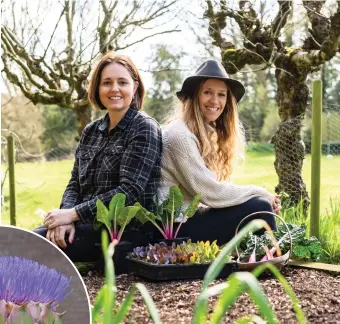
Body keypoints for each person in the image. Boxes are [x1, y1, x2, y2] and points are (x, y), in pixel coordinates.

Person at [34, 52, 162, 261]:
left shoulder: (144, 128)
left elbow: (129, 190)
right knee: (23, 241)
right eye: (106, 83)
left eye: (122, 82)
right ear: (97, 88)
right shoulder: (91, 131)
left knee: (30, 247)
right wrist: (65, 218)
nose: (114, 89)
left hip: (123, 233)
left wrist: (73, 214)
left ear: (135, 86)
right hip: (83, 223)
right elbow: (75, 182)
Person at [158, 59, 281, 245]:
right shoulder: (179, 135)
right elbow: (211, 192)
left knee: (257, 205)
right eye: (207, 92)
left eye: (221, 94)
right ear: (194, 96)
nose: (215, 101)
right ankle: (270, 259)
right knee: (259, 207)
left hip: (185, 220)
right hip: (173, 228)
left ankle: (263, 256)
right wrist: (260, 193)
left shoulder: (201, 132)